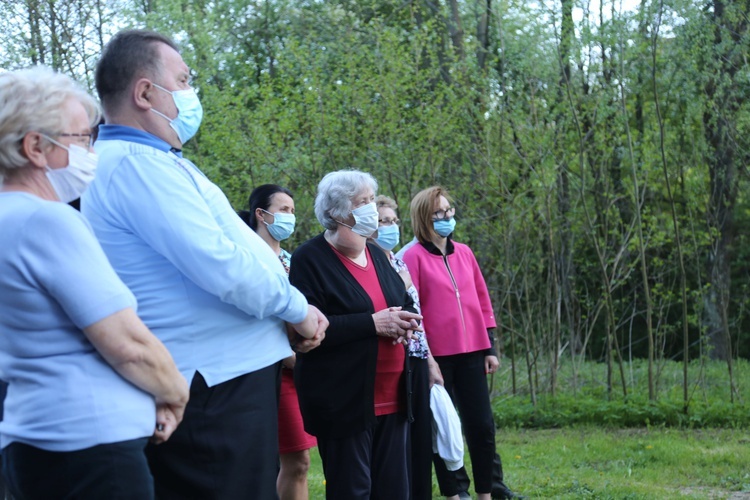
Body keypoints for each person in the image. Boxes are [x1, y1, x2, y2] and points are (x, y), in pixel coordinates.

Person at [82, 29, 328, 499]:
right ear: (144, 92)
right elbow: (222, 264)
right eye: (183, 80)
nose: (191, 94)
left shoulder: (155, 160)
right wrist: (297, 309)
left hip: (222, 380)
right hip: (212, 390)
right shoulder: (137, 165)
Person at [0, 66, 189, 499]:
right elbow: (128, 344)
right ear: (35, 147)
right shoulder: (47, 220)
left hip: (32, 436)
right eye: (82, 139)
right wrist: (175, 392)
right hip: (90, 445)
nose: (92, 150)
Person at [288, 170, 423, 500]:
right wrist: (372, 324)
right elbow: (307, 331)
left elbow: (400, 301)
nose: (372, 209)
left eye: (371, 201)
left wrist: (404, 322)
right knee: (353, 491)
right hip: (344, 400)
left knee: (393, 492)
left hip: (393, 396)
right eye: (362, 202)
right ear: (336, 212)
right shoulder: (310, 259)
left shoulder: (378, 254)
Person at [402, 186, 520, 500]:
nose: (446, 217)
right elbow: (413, 308)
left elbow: (482, 300)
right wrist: (427, 361)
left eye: (449, 210)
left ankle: (485, 492)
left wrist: (489, 347)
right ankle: (455, 493)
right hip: (438, 360)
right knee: (444, 428)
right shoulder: (413, 257)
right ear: (424, 218)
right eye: (438, 213)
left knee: (481, 427)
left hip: (472, 355)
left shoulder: (465, 252)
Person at [238, 184, 317, 500]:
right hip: (268, 366)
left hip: (301, 366)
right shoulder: (245, 255)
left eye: (293, 211)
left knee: (299, 462)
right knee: (295, 460)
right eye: (284, 210)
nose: (290, 217)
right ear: (261, 214)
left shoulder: (292, 259)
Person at [371, 195, 443, 500]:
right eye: (383, 221)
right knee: (391, 452)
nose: (391, 227)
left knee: (419, 443)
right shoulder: (369, 264)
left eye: (394, 221)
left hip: (415, 361)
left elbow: (418, 317)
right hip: (387, 366)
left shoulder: (398, 261)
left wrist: (429, 362)